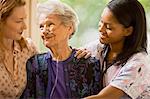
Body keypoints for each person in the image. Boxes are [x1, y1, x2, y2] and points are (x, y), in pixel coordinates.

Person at [21, 1, 101, 99]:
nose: (44, 31)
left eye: (50, 24)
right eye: (41, 26)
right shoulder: (34, 64)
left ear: (69, 28)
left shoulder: (89, 64)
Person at [77, 0, 150, 99]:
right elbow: (73, 54)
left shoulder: (138, 64)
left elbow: (103, 98)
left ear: (128, 31)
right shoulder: (100, 48)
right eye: (101, 21)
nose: (101, 29)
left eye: (108, 27)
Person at [0, 0, 38, 98]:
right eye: (19, 21)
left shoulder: (28, 48)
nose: (25, 26)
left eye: (24, 20)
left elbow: (52, 68)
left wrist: (78, 54)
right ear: (1, 21)